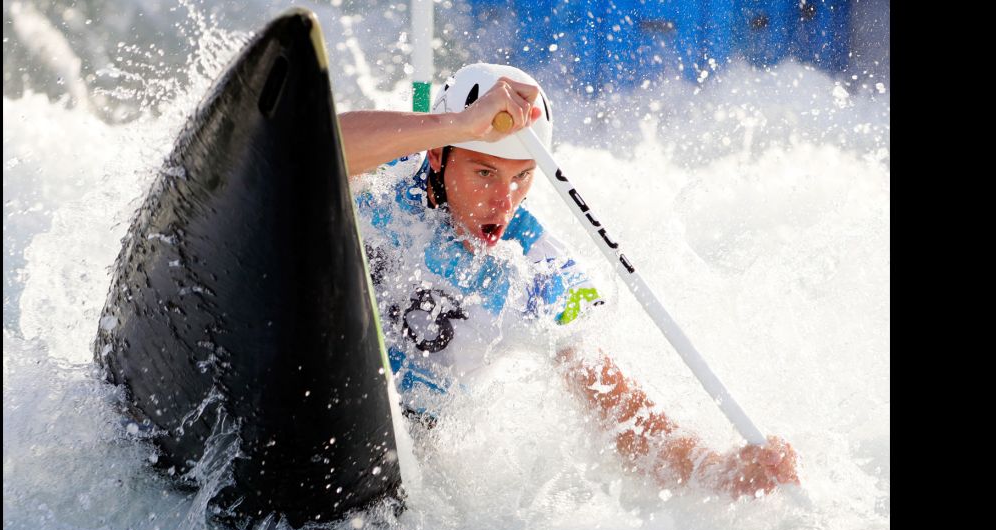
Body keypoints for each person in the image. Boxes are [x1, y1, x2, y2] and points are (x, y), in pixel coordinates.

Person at [339, 63, 799, 499]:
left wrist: (717, 470)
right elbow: (315, 147)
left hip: (408, 460)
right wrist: (461, 124)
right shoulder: (388, 175)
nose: (505, 201)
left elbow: (616, 408)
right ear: (439, 156)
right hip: (327, 385)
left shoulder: (535, 266)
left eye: (522, 177)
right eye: (484, 173)